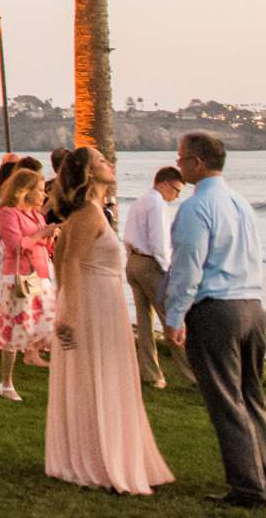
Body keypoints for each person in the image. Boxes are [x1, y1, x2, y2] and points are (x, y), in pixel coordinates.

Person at [42, 148, 174, 494]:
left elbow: (61, 260)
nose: (109, 164)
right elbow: (68, 263)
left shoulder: (92, 211)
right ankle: (102, 460)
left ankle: (101, 453)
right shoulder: (87, 214)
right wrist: (66, 312)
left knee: (102, 376)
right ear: (87, 173)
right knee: (102, 375)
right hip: (94, 305)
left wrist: (64, 301)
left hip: (100, 300)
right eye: (101, 161)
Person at [163, 131, 266, 507]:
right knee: (253, 397)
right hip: (252, 305)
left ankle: (248, 488)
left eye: (181, 159)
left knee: (227, 403)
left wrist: (174, 315)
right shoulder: (240, 203)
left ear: (197, 163)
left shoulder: (196, 208)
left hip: (217, 310)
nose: (179, 166)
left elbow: (187, 267)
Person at [122, 163, 191, 390]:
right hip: (150, 264)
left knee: (144, 322)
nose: (177, 195)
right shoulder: (157, 204)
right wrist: (168, 272)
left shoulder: (141, 201)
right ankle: (193, 376)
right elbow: (159, 243)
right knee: (172, 318)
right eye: (176, 189)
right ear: (163, 183)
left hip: (133, 261)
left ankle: (150, 374)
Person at [0, 165, 54, 401]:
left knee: (47, 322)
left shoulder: (36, 215)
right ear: (25, 191)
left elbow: (42, 247)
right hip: (18, 277)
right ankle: (6, 382)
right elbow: (15, 245)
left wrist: (49, 237)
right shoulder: (8, 213)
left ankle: (33, 354)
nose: (43, 194)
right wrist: (41, 235)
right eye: (39, 190)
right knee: (15, 329)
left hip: (39, 275)